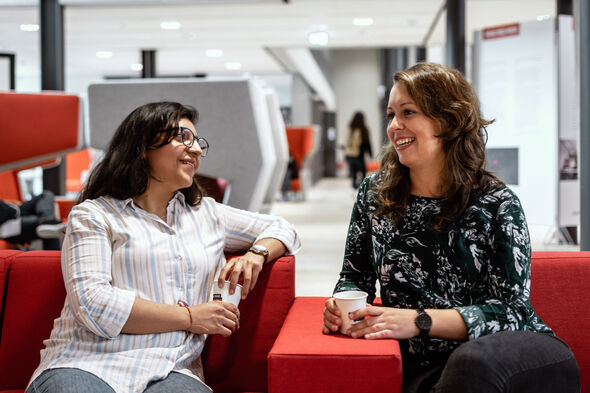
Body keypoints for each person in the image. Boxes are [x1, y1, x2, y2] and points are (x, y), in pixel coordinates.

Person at [322, 63, 579, 393]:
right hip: (430, 366)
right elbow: (354, 276)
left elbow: (511, 311)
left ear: (447, 120)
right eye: (391, 115)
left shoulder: (496, 202)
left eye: (408, 112)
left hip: (515, 355)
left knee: (472, 363)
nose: (394, 126)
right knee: (460, 372)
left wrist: (419, 321)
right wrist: (341, 304)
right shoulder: (375, 194)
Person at [26, 101, 300, 393]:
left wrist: (256, 255)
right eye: (182, 137)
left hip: (171, 367)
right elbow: (94, 305)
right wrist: (191, 318)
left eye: (198, 143)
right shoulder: (94, 215)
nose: (195, 150)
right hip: (85, 361)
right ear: (142, 146)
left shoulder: (207, 214)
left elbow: (284, 228)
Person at [0, 191, 66, 250]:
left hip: (15, 210)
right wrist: (13, 210)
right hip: (6, 224)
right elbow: (9, 211)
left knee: (46, 194)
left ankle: (47, 220)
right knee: (49, 229)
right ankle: (47, 221)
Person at [344, 111, 372, 189]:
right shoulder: (363, 129)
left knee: (353, 172)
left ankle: (354, 185)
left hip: (349, 154)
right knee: (362, 171)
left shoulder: (350, 128)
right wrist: (370, 154)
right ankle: (362, 188)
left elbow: (347, 142)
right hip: (359, 154)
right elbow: (367, 143)